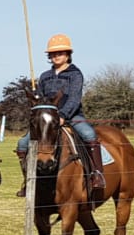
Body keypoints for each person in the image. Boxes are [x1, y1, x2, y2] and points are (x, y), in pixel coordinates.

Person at [15, 33, 104, 195]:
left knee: (89, 134)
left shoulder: (75, 74)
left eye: (60, 53)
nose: (56, 56)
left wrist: (62, 115)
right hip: (48, 120)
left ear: (68, 55)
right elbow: (41, 101)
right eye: (53, 54)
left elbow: (75, 98)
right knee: (22, 143)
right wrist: (36, 98)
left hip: (71, 116)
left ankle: (96, 174)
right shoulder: (45, 76)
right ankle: (28, 180)